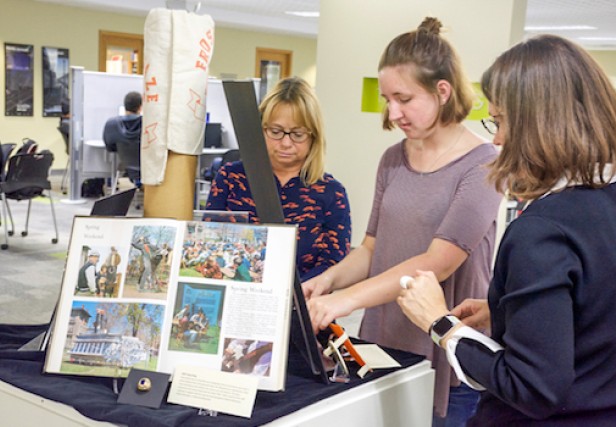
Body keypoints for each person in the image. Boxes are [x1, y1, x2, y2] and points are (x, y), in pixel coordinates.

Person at [397, 35, 616, 426]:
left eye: (502, 121)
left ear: (540, 123)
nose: (497, 138)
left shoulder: (542, 230)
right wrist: (506, 315)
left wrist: (439, 323)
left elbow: (533, 387)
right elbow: (600, 312)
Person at [303, 17, 503, 424]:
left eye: (404, 98)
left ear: (442, 91)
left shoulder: (483, 163)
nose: (393, 112)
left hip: (447, 352)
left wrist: (344, 300)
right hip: (384, 342)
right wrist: (330, 280)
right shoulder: (393, 158)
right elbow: (372, 248)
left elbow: (437, 262)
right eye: (387, 99)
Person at [206, 76, 352, 282]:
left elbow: (334, 263)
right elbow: (210, 240)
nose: (285, 143)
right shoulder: (230, 178)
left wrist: (289, 295)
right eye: (275, 132)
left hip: (305, 305)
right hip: (239, 298)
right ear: (261, 130)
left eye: (298, 134)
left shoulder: (331, 192)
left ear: (313, 137)